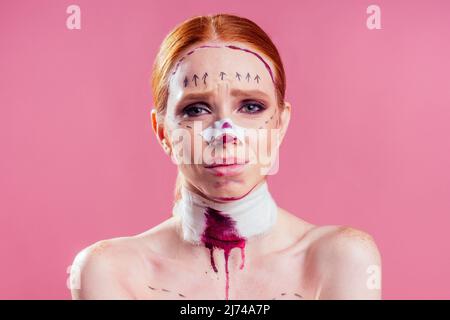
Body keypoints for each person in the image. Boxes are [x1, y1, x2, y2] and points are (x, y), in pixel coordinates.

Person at [70, 13, 382, 300]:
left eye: (250, 107)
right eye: (196, 110)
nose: (225, 132)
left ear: (280, 123)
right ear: (163, 132)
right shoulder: (108, 270)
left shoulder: (342, 259)